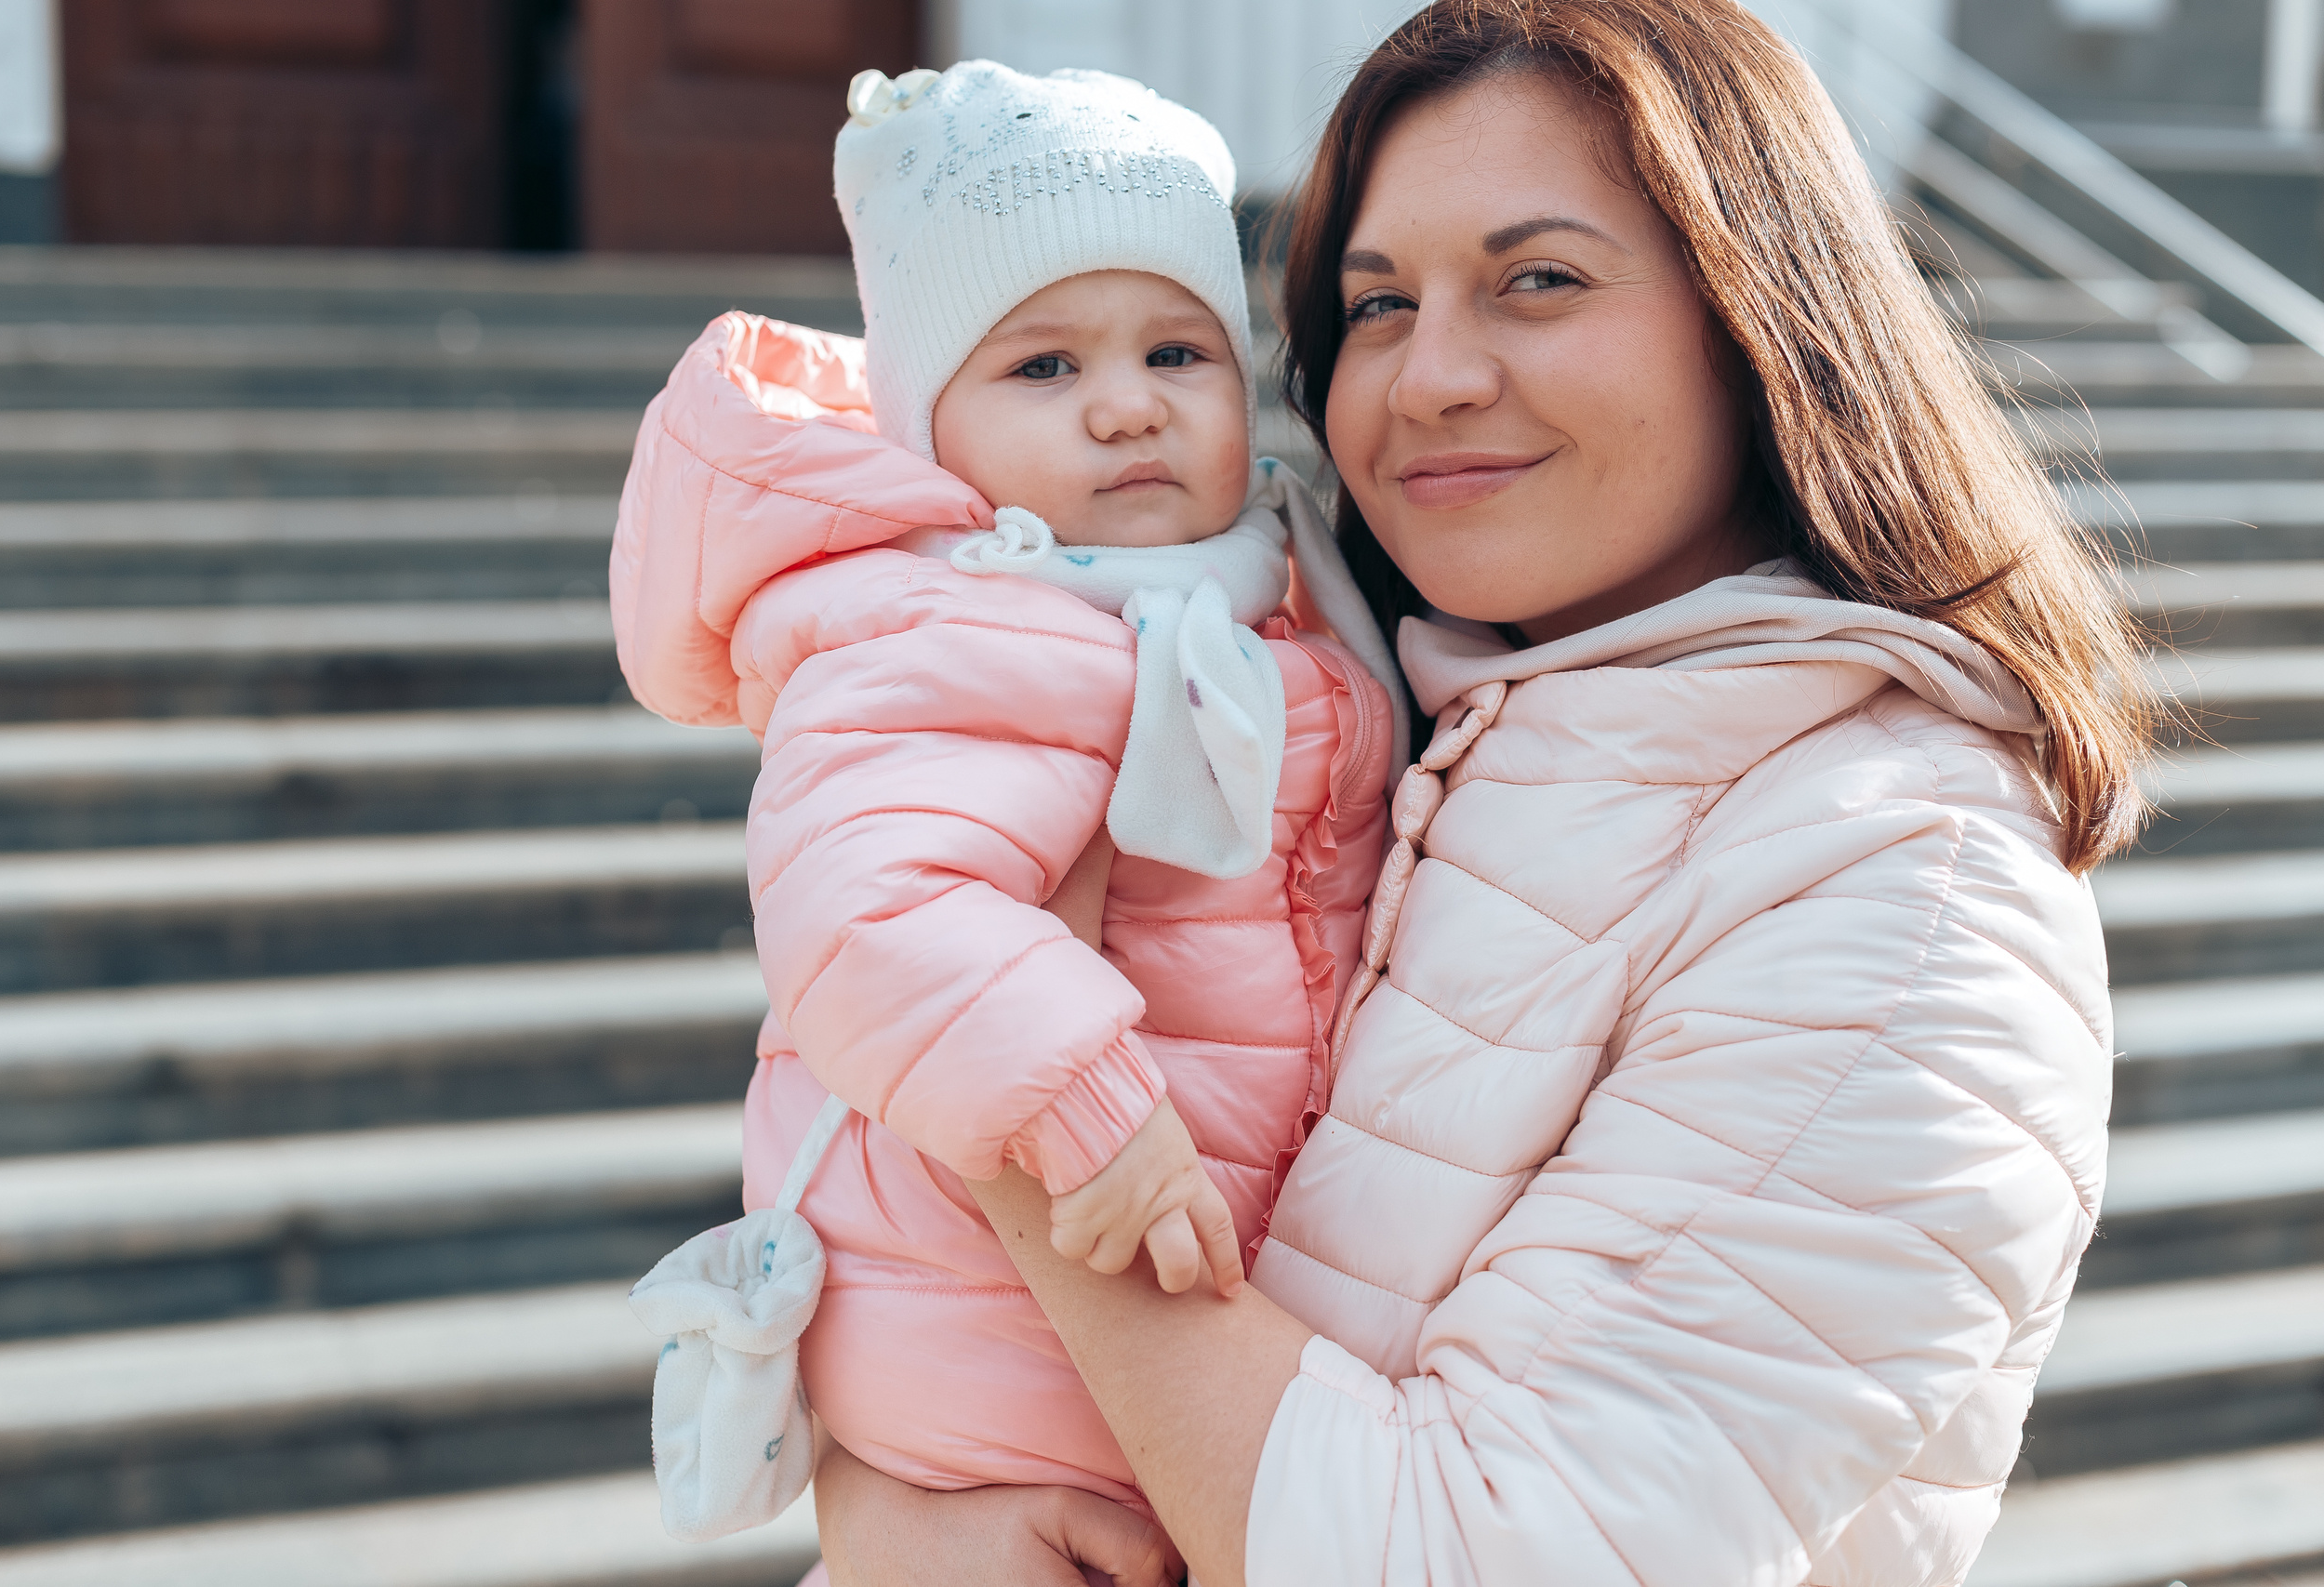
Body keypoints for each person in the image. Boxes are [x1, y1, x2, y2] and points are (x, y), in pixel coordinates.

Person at [810, 3, 2155, 1584]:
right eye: (1376, 305)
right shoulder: (1374, 725)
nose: (1429, 376)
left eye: (1538, 281)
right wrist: (887, 1493)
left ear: (1764, 318)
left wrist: (1024, 1121)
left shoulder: (1906, 893)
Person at [608, 60, 1401, 1521]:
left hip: (1163, 1325)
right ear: (929, 427)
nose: (1126, 410)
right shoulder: (949, 625)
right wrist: (1088, 1105)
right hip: (1009, 1326)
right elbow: (868, 907)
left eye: (1177, 355)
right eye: (1043, 367)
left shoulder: (1246, 602)